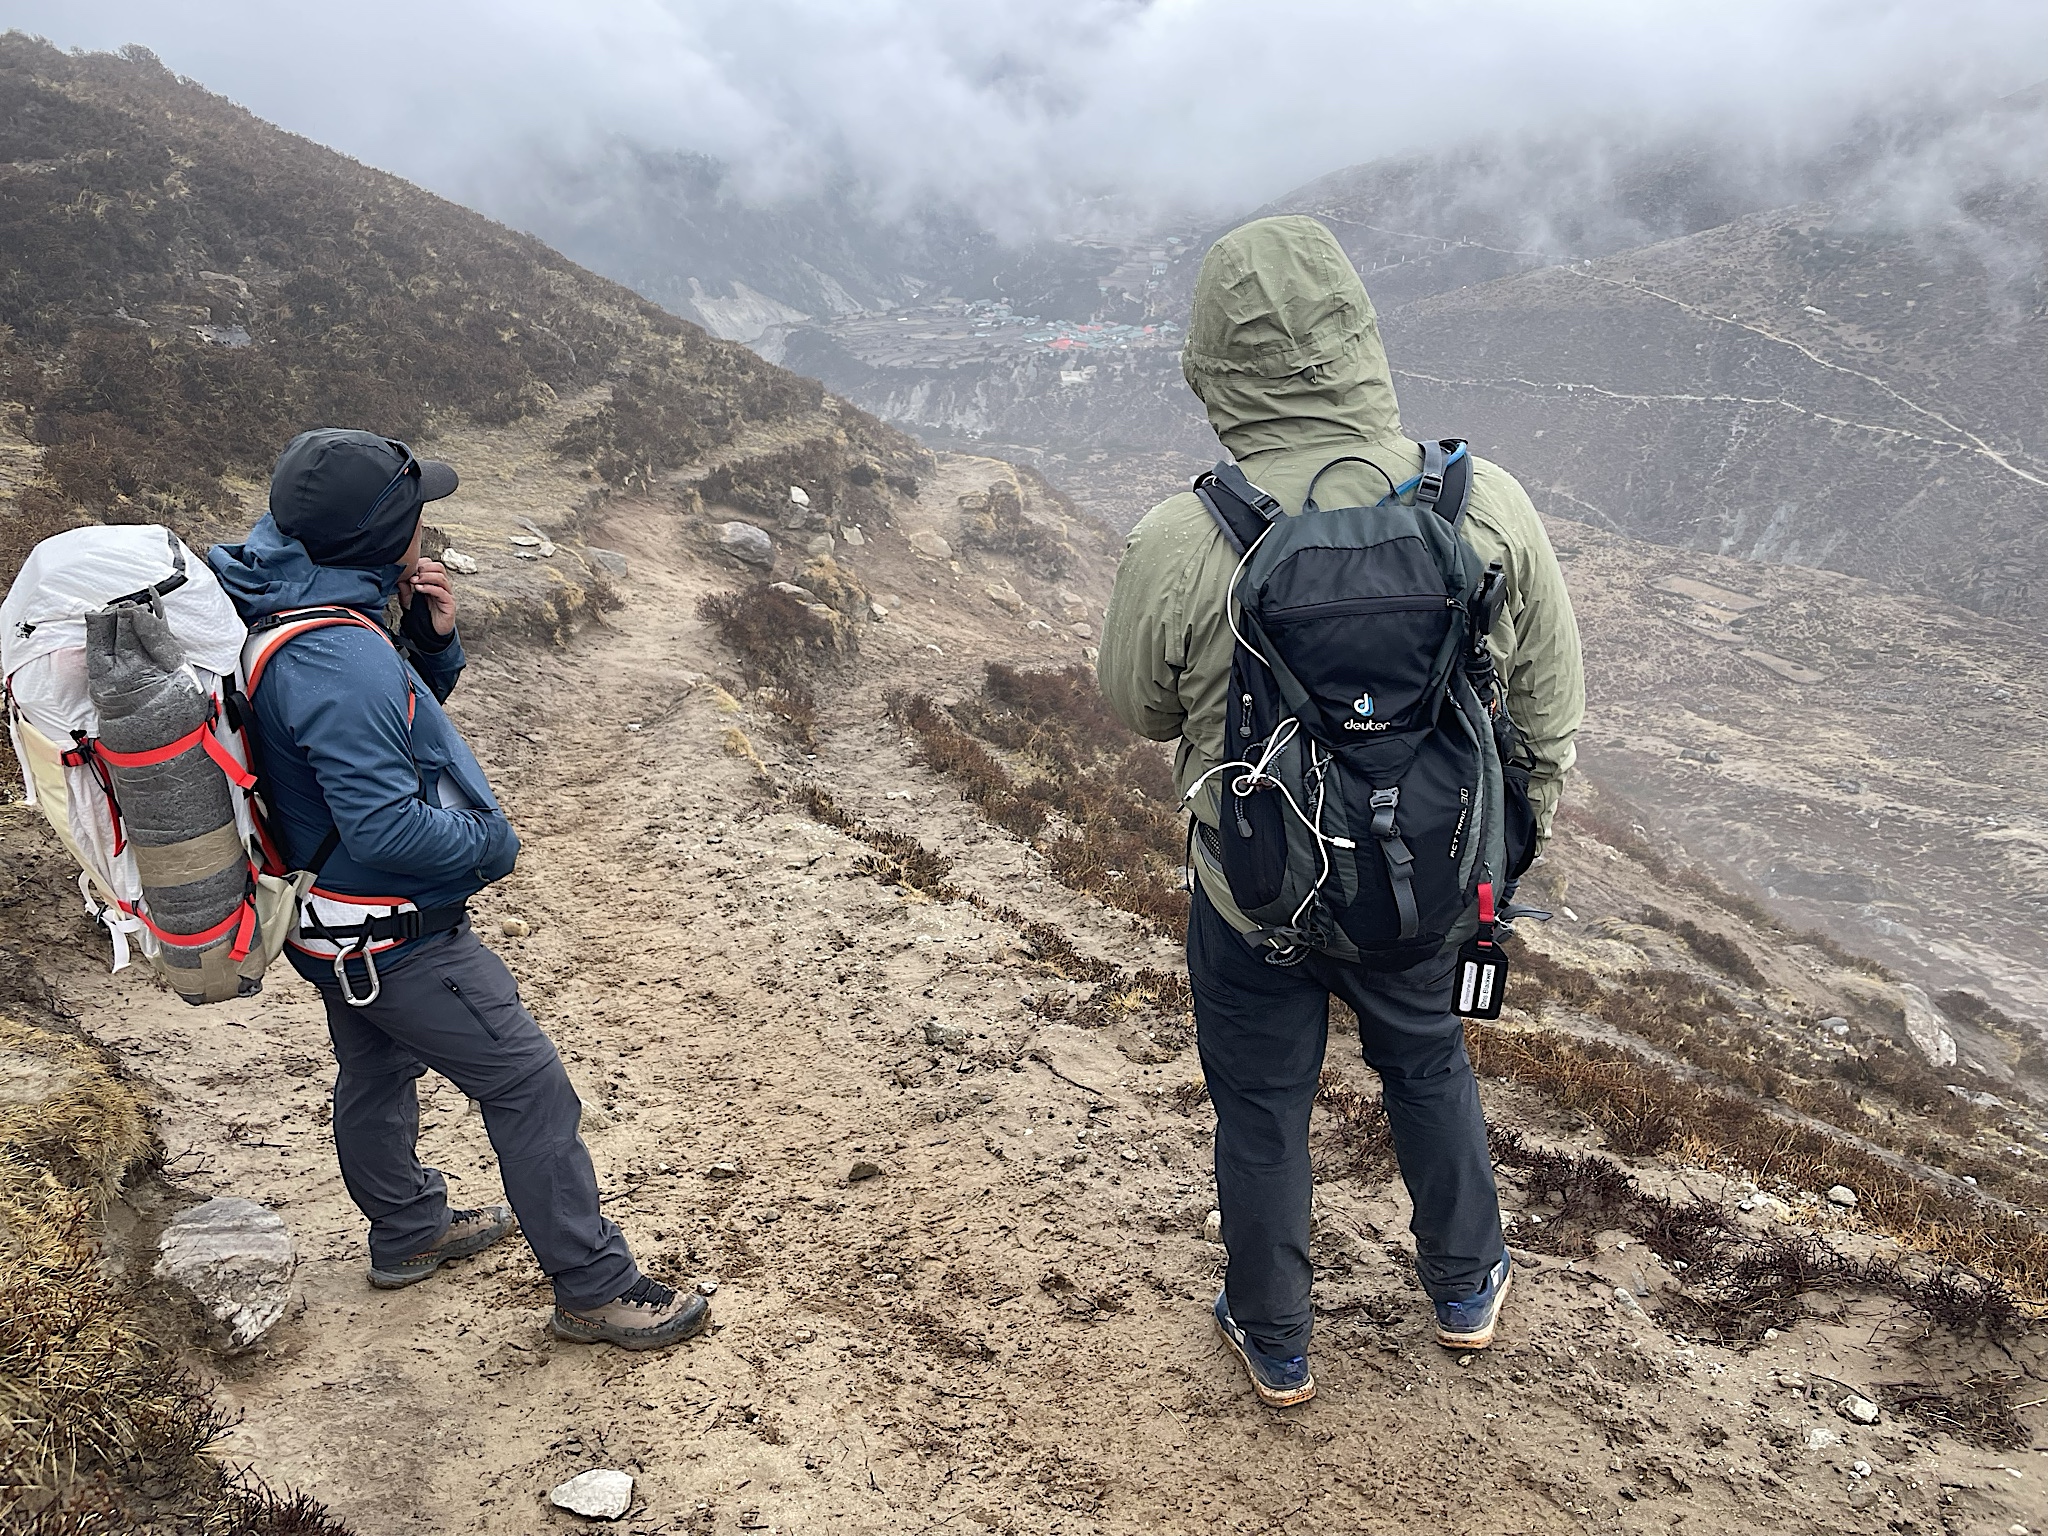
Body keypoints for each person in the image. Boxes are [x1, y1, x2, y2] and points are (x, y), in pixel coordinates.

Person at [1098, 217, 1584, 1406]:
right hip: (1425, 887)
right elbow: (1546, 708)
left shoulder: (1185, 534)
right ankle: (1464, 1287)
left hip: (1252, 892)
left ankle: (1273, 1337)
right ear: (1359, 334)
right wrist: (1498, 851)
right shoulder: (1481, 503)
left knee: (1260, 1106)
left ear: (1212, 364)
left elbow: (1136, 707)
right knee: (1427, 1064)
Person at [208, 428, 706, 1351]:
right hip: (397, 937)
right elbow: (385, 825)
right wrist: (493, 844)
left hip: (328, 924)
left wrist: (428, 648)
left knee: (376, 1070)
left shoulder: (285, 603)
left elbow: (355, 748)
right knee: (529, 1087)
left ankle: (408, 1231)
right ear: (378, 533)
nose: (426, 527)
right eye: (415, 514)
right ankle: (597, 1288)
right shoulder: (338, 655)